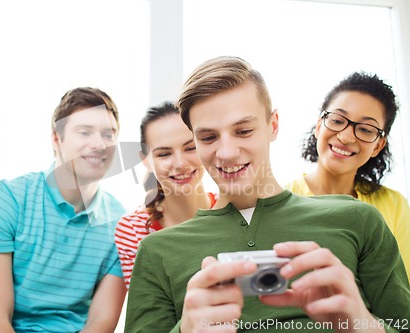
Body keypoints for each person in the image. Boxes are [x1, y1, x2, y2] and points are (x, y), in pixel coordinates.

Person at [125, 57, 410, 333]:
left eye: (244, 130)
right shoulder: (155, 252)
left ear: (272, 126)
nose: (226, 152)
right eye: (208, 137)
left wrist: (362, 325)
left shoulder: (358, 219)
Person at [0, 87, 127, 333]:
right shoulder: (4, 201)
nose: (99, 144)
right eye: (84, 132)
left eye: (109, 134)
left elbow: (100, 324)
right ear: (56, 138)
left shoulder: (121, 224)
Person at [286, 72, 410, 279]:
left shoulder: (395, 206)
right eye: (337, 120)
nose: (345, 136)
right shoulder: (280, 199)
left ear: (378, 146)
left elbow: (403, 293)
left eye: (365, 129)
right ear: (319, 126)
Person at [114, 102, 217, 288]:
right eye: (164, 154)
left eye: (190, 147)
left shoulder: (237, 209)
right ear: (145, 161)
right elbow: (149, 310)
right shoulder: (133, 229)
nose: (179, 163)